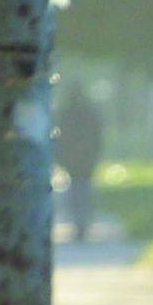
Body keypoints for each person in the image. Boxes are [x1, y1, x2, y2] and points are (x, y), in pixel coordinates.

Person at [56, 82, 105, 244]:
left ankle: (80, 223)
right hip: (85, 159)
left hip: (75, 159)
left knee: (76, 190)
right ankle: (82, 223)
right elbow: (97, 135)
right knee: (84, 189)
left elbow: (61, 138)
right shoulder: (89, 113)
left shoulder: (66, 113)